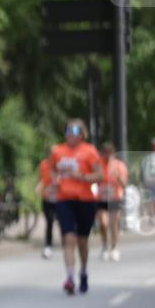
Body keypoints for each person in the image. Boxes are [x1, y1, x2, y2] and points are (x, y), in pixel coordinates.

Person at [49, 119, 103, 295]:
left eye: (74, 132)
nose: (71, 135)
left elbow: (99, 175)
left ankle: (83, 271)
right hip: (64, 199)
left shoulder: (89, 151)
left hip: (85, 200)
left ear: (82, 134)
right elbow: (52, 169)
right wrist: (54, 181)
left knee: (82, 241)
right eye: (68, 131)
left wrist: (82, 177)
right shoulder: (57, 151)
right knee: (68, 238)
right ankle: (70, 277)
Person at [96, 142, 128, 261]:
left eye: (110, 153)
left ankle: (114, 247)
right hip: (101, 198)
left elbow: (124, 185)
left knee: (114, 224)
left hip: (115, 198)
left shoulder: (119, 166)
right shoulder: (98, 164)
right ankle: (104, 246)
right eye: (105, 153)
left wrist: (118, 177)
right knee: (103, 223)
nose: (107, 156)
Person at [35, 151, 57, 259]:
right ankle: (48, 245)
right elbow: (40, 179)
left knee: (62, 222)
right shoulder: (43, 164)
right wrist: (38, 187)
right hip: (47, 198)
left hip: (60, 199)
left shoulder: (60, 165)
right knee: (49, 221)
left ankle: (68, 243)